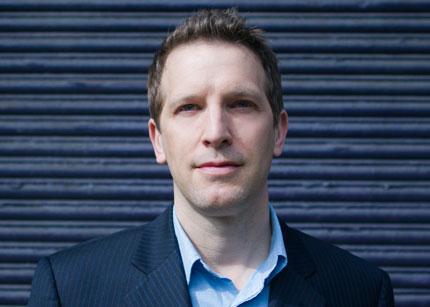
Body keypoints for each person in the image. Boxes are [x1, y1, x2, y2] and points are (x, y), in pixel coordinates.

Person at [28, 9, 394, 307]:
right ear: (158, 140)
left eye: (240, 104)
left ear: (278, 132)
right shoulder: (70, 289)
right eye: (189, 107)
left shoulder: (361, 292)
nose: (216, 131)